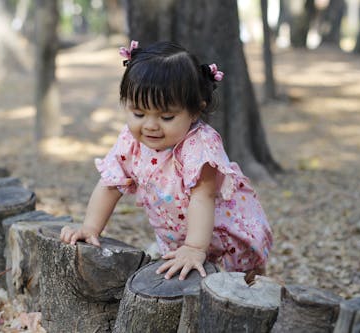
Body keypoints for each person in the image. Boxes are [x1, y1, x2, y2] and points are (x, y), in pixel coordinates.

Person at [60, 40, 273, 281]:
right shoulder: (131, 141)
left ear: (194, 111)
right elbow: (110, 184)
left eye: (167, 116)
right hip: (176, 235)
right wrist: (90, 228)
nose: (150, 125)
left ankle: (254, 286)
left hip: (224, 235)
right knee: (182, 285)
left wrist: (195, 248)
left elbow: (203, 196)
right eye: (138, 113)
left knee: (242, 286)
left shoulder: (200, 145)